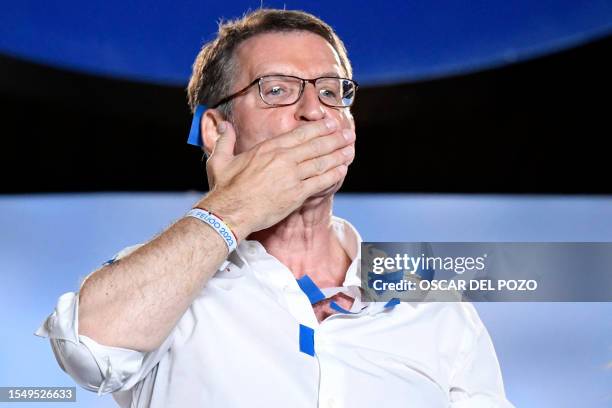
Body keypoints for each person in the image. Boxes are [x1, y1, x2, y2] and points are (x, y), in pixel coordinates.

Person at [36, 9, 514, 407]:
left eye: (331, 91)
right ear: (216, 130)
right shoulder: (170, 285)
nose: (315, 111)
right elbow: (88, 347)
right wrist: (234, 206)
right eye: (278, 90)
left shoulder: (432, 304)